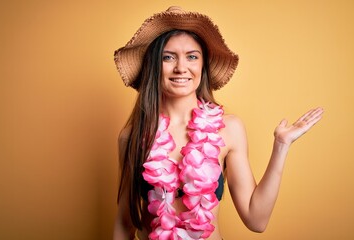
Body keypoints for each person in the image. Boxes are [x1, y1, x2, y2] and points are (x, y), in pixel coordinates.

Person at [113, 6, 323, 240]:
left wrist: (281, 146)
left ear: (203, 66)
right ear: (154, 66)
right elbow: (124, 224)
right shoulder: (132, 136)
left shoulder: (229, 129)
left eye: (192, 56)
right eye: (168, 57)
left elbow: (256, 220)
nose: (181, 67)